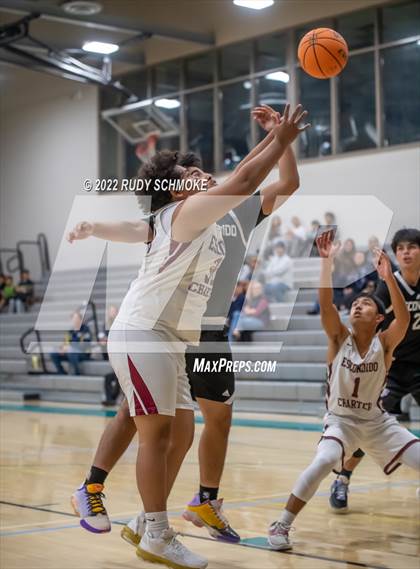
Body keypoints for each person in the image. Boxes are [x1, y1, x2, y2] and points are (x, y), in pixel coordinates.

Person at [69, 103, 310, 569]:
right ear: (173, 190)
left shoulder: (206, 211)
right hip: (144, 330)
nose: (199, 173)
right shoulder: (180, 215)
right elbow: (241, 180)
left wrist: (277, 139)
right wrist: (281, 139)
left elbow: (241, 177)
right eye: (188, 172)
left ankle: (145, 521)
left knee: (180, 431)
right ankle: (154, 529)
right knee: (154, 432)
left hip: (173, 337)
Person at [267, 229, 419, 551]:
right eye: (354, 304)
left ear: (379, 318)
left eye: (365, 304)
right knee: (324, 461)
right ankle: (282, 524)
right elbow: (325, 305)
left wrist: (387, 276)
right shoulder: (338, 339)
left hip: (377, 424)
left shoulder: (386, 343)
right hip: (340, 421)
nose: (357, 306)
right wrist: (327, 262)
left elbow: (403, 318)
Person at [329, 227, 420, 512]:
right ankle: (342, 478)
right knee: (366, 426)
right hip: (390, 367)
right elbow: (371, 328)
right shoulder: (387, 287)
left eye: (411, 247)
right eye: (400, 248)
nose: (405, 252)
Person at [50, 311, 92, 375]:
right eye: (74, 319)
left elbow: (84, 345)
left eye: (77, 319)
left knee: (71, 350)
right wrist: (62, 348)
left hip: (83, 354)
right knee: (53, 352)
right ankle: (61, 372)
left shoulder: (85, 330)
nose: (75, 321)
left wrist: (70, 347)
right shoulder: (70, 331)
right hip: (70, 353)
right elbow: (65, 343)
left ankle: (77, 372)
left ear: (81, 320)